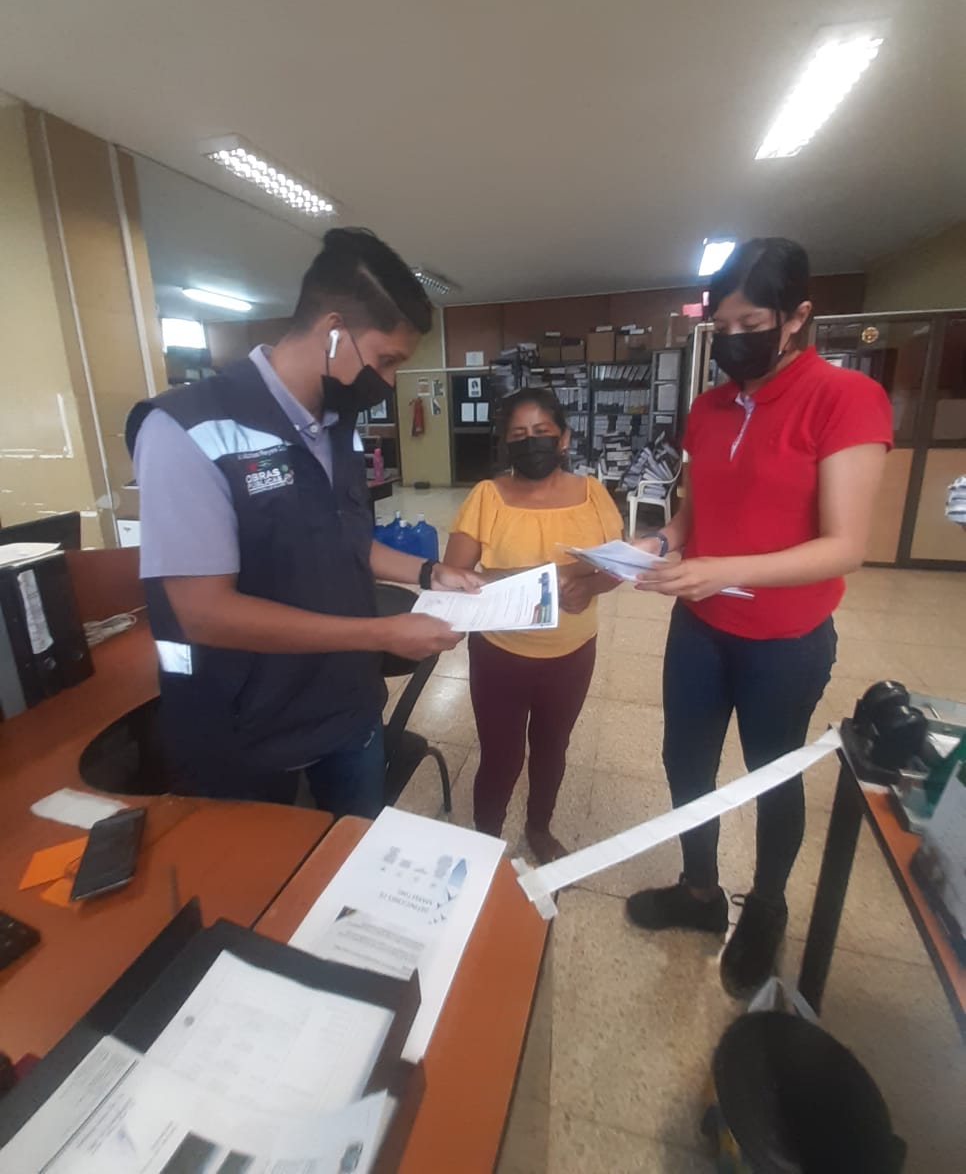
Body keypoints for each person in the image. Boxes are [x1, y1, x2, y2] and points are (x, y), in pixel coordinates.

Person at [127, 227, 479, 816]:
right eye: (387, 360)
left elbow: (343, 538)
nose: (388, 381)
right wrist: (382, 634)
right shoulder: (187, 430)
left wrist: (428, 573)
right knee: (263, 875)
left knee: (350, 859)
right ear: (334, 330)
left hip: (347, 709)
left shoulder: (337, 424)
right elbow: (203, 612)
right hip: (247, 732)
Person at [626, 237, 893, 997]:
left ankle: (767, 908)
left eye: (751, 325)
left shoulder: (844, 398)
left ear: (796, 317)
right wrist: (660, 543)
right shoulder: (709, 407)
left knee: (772, 774)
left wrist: (724, 569)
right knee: (686, 762)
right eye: (722, 327)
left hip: (785, 639)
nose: (733, 340)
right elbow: (695, 510)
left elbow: (844, 547)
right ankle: (699, 890)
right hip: (700, 630)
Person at [443, 388, 623, 862]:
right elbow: (453, 575)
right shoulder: (487, 497)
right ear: (507, 444)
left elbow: (616, 569)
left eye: (542, 432)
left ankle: (539, 827)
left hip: (571, 654)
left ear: (563, 438)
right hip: (499, 653)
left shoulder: (593, 494)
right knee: (500, 756)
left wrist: (590, 586)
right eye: (519, 435)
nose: (532, 443)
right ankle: (485, 839)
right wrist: (530, 578)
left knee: (552, 748)